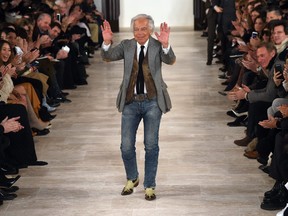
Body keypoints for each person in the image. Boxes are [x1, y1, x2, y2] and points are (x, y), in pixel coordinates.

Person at [100, 14, 176, 201]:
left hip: (152, 102)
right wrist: (107, 42)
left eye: (143, 29)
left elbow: (170, 60)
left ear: (150, 30)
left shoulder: (157, 46)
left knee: (151, 146)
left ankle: (149, 185)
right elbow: (108, 56)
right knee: (126, 146)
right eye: (136, 29)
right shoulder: (127, 45)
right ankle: (132, 177)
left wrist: (166, 45)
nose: (139, 33)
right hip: (130, 101)